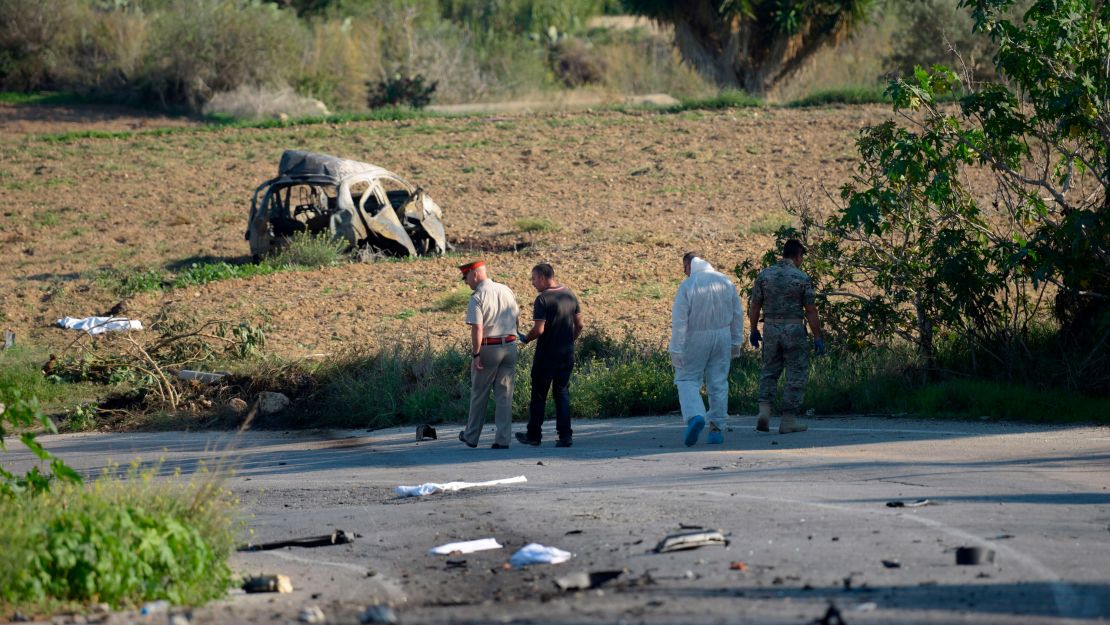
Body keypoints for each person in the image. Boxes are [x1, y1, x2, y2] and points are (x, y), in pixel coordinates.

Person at [747, 239, 826, 434]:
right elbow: (810, 310)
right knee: (795, 374)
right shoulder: (801, 278)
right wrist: (817, 336)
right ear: (798, 255)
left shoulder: (764, 275)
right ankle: (788, 420)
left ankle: (764, 412)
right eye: (801, 257)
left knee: (769, 371)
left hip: (771, 329)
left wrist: (753, 329)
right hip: (793, 330)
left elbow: (754, 306)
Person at [669, 252, 745, 447]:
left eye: (684, 268)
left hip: (695, 338)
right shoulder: (725, 281)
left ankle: (695, 415)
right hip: (722, 337)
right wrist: (736, 342)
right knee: (718, 382)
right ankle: (716, 429)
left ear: (689, 266)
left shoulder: (688, 286)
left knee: (687, 379)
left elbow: (679, 321)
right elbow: (737, 313)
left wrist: (676, 349)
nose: (684, 272)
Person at [515, 263, 584, 448]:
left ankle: (534, 435)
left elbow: (539, 329)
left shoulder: (542, 299)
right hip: (566, 354)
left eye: (534, 279)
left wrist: (526, 339)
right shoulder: (569, 294)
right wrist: (570, 340)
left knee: (539, 396)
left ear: (544, 278)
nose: (533, 283)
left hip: (546, 356)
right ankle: (565, 436)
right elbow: (580, 325)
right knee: (561, 393)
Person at [458, 260, 520, 449]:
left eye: (466, 277)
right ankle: (502, 439)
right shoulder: (506, 289)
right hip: (510, 346)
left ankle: (471, 436)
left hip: (489, 348)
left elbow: (477, 328)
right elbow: (517, 317)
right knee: (504, 395)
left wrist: (476, 355)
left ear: (475, 274)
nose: (466, 282)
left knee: (479, 393)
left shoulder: (478, 297)